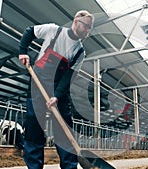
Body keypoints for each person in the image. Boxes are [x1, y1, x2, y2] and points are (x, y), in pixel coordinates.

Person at [18, 10, 94, 169]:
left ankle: (69, 166)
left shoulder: (80, 51)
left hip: (59, 87)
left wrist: (57, 96)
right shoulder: (54, 30)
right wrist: (22, 52)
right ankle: (34, 166)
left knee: (64, 128)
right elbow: (29, 31)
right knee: (34, 125)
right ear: (76, 21)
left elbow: (69, 76)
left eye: (90, 28)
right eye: (86, 26)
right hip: (38, 82)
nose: (88, 30)